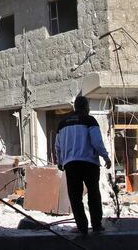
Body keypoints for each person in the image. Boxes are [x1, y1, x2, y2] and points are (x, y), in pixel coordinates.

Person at [55, 95, 112, 235]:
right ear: (86, 107)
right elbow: (97, 142)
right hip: (89, 163)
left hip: (71, 164)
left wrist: (60, 161)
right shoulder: (89, 120)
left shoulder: (62, 123)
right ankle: (97, 225)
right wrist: (106, 157)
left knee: (75, 197)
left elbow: (57, 146)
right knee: (93, 194)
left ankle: (82, 227)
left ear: (75, 107)